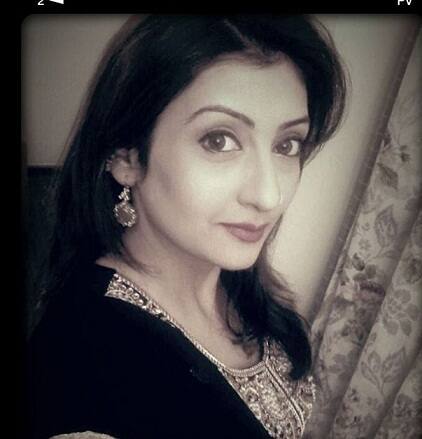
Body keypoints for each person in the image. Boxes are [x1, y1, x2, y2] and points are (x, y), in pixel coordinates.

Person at [25, 14, 347, 439]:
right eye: (219, 140)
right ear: (125, 157)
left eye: (287, 145)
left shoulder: (239, 281)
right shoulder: (82, 356)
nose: (269, 196)